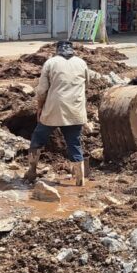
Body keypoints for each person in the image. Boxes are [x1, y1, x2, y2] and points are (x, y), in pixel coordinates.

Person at [25, 41, 92, 184]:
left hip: (53, 109)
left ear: (57, 50)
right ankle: (80, 180)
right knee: (74, 143)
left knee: (37, 138)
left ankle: (31, 171)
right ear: (71, 50)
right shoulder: (81, 63)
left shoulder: (51, 63)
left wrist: (39, 107)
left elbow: (42, 90)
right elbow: (87, 84)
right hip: (75, 110)